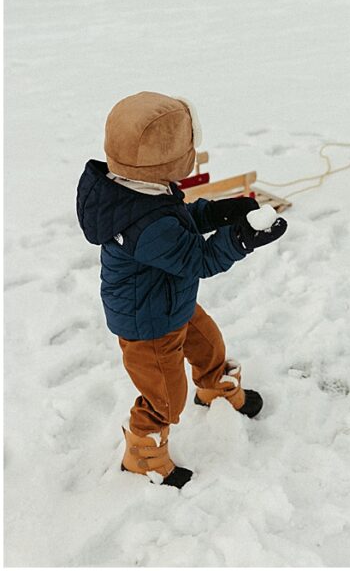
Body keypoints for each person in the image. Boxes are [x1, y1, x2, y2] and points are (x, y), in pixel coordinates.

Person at [76, 90, 288, 488]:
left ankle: (215, 390)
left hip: (168, 301)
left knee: (209, 345)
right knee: (167, 397)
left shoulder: (138, 188)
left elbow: (180, 218)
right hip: (149, 325)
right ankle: (143, 452)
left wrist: (221, 211)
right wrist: (241, 239)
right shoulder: (144, 224)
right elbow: (197, 258)